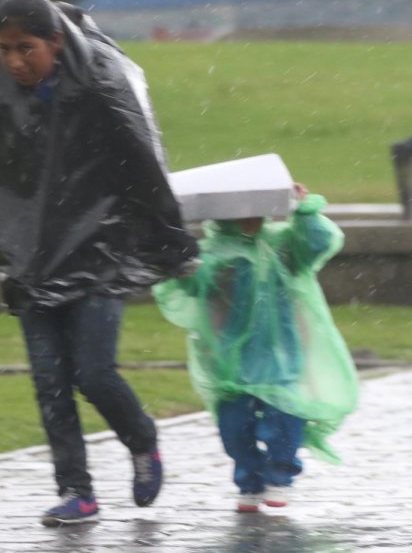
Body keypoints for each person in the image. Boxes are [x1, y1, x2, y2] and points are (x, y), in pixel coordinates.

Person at [0, 0, 199, 527]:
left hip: (100, 250)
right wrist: (11, 253)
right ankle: (77, 491)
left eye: (26, 48)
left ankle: (142, 440)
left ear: (53, 40)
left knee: (92, 372)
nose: (15, 61)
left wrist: (173, 244)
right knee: (49, 382)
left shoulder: (100, 82)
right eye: (4, 49)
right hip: (31, 259)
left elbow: (142, 162)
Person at [153, 182, 359, 513]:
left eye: (256, 211)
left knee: (285, 419)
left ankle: (280, 476)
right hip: (229, 362)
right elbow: (186, 283)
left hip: (280, 355)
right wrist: (176, 257)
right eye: (240, 213)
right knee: (235, 429)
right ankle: (249, 480)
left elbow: (318, 243)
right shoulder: (210, 256)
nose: (251, 220)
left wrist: (305, 212)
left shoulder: (282, 247)